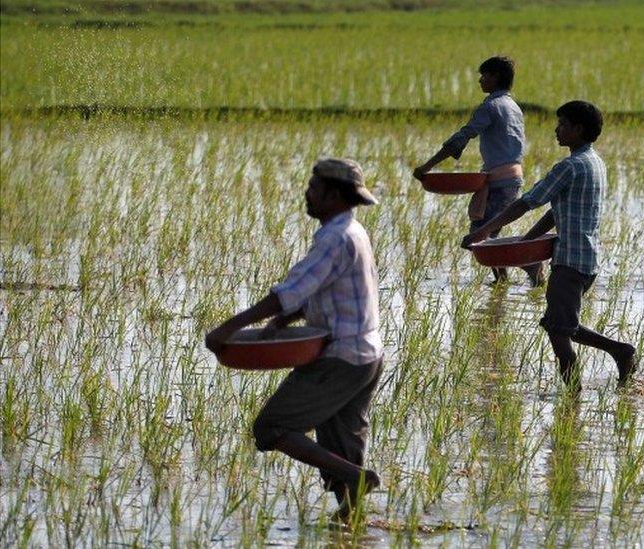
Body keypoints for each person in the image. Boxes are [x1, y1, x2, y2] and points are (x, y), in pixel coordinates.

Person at [205, 158, 384, 522]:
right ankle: (352, 526)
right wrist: (281, 322)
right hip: (366, 355)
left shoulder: (335, 239)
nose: (308, 193)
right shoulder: (352, 231)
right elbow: (317, 295)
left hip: (341, 357)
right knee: (341, 446)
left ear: (333, 195)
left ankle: (358, 479)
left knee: (271, 427)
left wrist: (227, 328)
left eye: (314, 188)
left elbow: (289, 291)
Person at [461, 101, 636, 390]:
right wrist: (525, 241)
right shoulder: (595, 162)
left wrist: (482, 232)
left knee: (558, 330)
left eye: (563, 124)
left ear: (578, 129)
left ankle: (578, 391)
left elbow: (525, 202)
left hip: (569, 261)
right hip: (585, 259)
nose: (557, 130)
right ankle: (608, 361)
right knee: (563, 325)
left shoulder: (570, 166)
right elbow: (557, 211)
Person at [413, 56, 543, 286]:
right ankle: (503, 279)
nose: (480, 80)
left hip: (501, 179)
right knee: (488, 231)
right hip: (511, 177)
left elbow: (463, 136)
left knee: (481, 233)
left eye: (484, 75)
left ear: (496, 77)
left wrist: (428, 166)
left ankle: (527, 265)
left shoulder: (490, 106)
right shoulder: (513, 107)